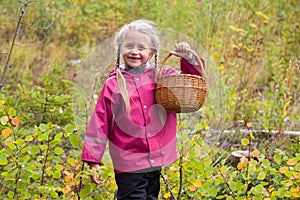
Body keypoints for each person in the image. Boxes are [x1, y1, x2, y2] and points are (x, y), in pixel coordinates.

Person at [81, 19, 204, 200]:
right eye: (129, 46)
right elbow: (100, 122)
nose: (134, 51)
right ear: (120, 50)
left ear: (152, 52)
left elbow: (191, 83)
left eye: (141, 47)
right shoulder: (113, 84)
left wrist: (188, 58)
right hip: (128, 161)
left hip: (155, 159)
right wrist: (93, 160)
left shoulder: (161, 77)